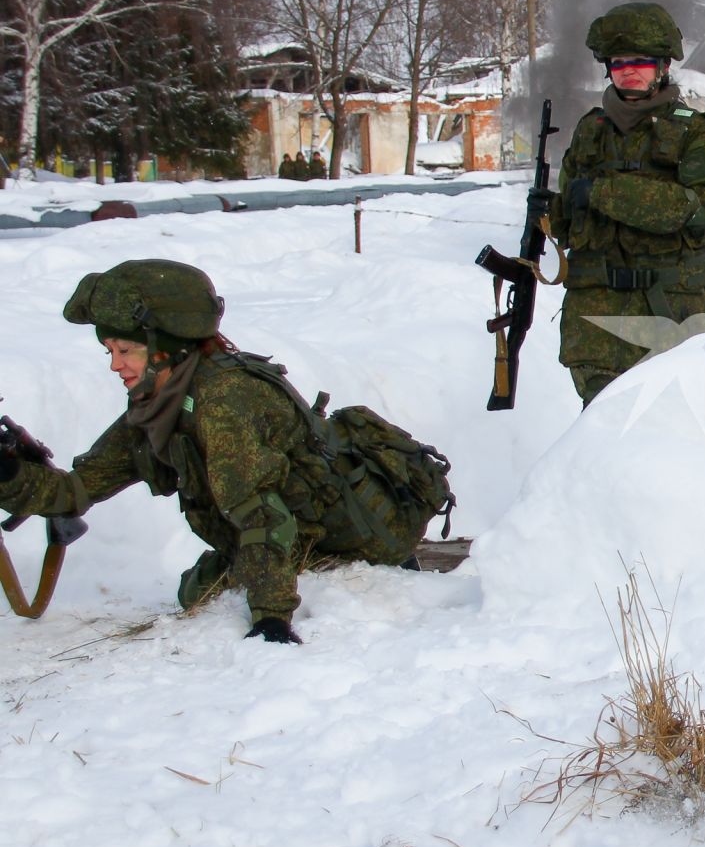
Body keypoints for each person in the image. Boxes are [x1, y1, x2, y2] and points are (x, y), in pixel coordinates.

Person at [0, 260, 450, 643]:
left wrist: (270, 618)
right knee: (194, 591)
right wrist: (7, 474)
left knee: (209, 593)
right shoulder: (161, 401)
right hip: (292, 534)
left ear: (166, 348)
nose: (115, 365)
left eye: (125, 350)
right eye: (109, 351)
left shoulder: (223, 400)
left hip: (353, 538)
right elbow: (76, 490)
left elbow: (261, 513)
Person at [549, 1, 705, 405]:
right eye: (618, 62)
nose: (628, 70)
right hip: (595, 313)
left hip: (668, 309)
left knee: (669, 424)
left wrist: (603, 192)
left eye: (640, 61)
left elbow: (698, 206)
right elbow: (569, 225)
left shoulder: (694, 132)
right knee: (598, 423)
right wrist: (551, 210)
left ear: (663, 66)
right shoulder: (589, 131)